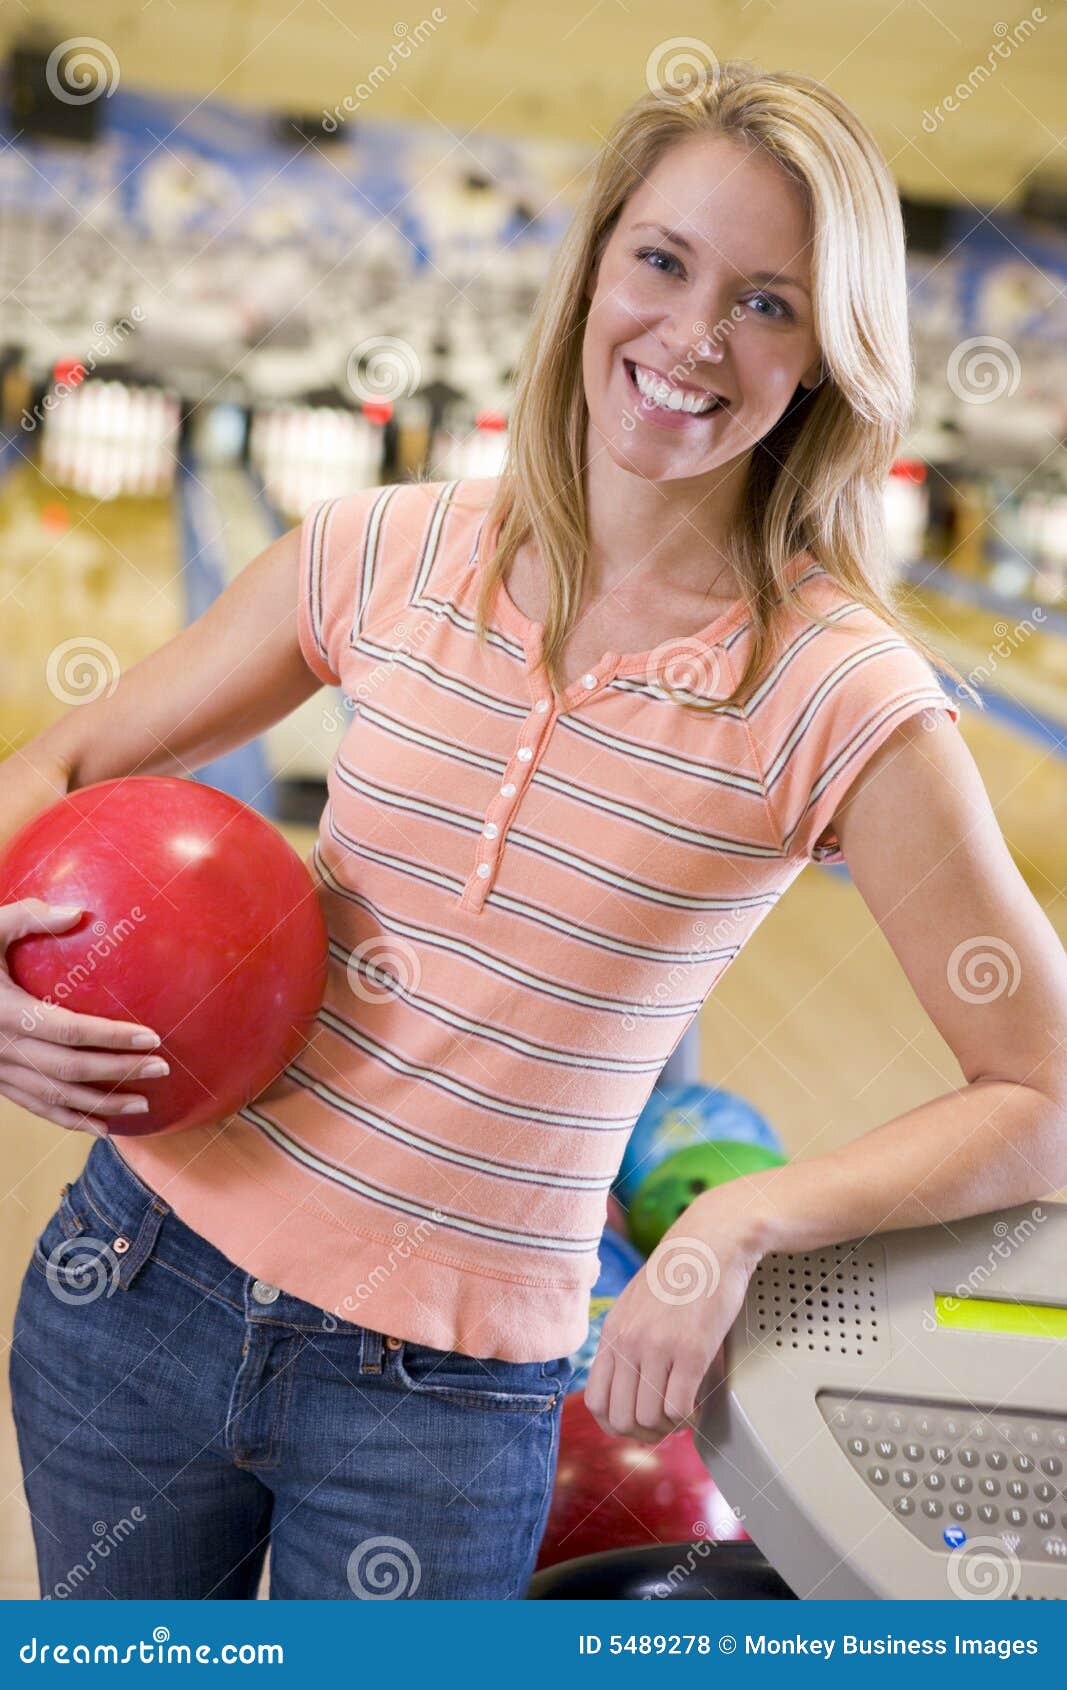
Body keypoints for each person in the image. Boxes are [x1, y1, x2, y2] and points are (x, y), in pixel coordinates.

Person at [5, 59, 1066, 1602]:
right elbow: (61, 758)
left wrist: (740, 1222)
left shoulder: (842, 694)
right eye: (664, 261)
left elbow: (1043, 1087)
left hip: (440, 1408)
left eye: (768, 303)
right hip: (137, 1286)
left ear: (829, 359)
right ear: (593, 270)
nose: (694, 336)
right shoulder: (379, 548)